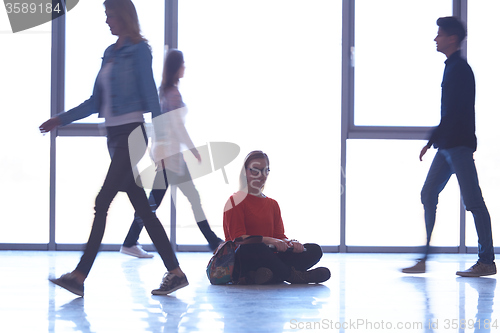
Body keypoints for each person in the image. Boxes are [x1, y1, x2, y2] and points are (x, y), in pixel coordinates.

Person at [40, 0, 188, 296]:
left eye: (110, 15)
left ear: (123, 16)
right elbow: (96, 101)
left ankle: (79, 275)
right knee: (144, 211)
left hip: (132, 133)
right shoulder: (110, 53)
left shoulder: (139, 50)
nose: (107, 21)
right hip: (114, 136)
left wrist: (160, 143)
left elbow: (150, 97)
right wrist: (61, 119)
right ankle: (176, 272)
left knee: (102, 201)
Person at [402, 17, 495, 276]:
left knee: (474, 202)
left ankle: (486, 261)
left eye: (439, 34)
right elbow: (448, 113)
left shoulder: (460, 70)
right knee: (428, 193)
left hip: (458, 147)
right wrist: (432, 142)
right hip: (447, 147)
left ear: (452, 38)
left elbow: (455, 113)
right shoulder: (451, 67)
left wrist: (435, 140)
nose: (435, 39)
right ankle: (424, 260)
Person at [120, 49, 222, 258]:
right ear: (177, 68)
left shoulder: (165, 92)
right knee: (175, 200)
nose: (185, 67)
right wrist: (193, 150)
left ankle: (130, 241)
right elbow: (176, 128)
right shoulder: (172, 95)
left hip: (169, 157)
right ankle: (213, 242)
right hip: (171, 158)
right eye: (182, 64)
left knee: (159, 202)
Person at [223, 150, 331, 284]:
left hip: (271, 257)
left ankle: (265, 275)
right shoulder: (235, 201)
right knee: (255, 246)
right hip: (245, 258)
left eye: (265, 171)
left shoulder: (272, 204)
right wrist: (269, 241)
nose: (261, 176)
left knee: (314, 250)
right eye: (255, 170)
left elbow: (279, 236)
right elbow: (238, 239)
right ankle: (292, 276)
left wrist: (291, 243)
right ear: (245, 171)